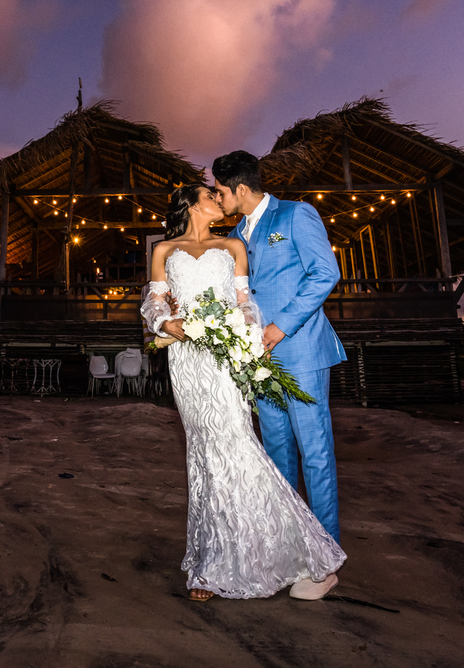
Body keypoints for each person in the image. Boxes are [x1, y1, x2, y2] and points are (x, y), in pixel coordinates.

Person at [141, 183, 345, 603]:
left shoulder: (233, 246)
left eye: (219, 193)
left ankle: (268, 548)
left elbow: (245, 303)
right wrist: (166, 324)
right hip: (187, 361)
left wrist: (245, 342)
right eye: (210, 196)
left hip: (225, 359)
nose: (218, 200)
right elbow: (154, 303)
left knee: (236, 443)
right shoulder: (163, 250)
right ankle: (211, 556)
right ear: (191, 205)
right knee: (203, 451)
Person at [212, 150, 347, 599]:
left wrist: (281, 325)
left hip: (302, 352)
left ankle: (325, 562)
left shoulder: (295, 215)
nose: (218, 198)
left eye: (221, 191)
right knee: (276, 458)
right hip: (259, 361)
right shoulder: (235, 234)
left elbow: (325, 273)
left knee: (315, 455)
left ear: (241, 188)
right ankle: (290, 551)